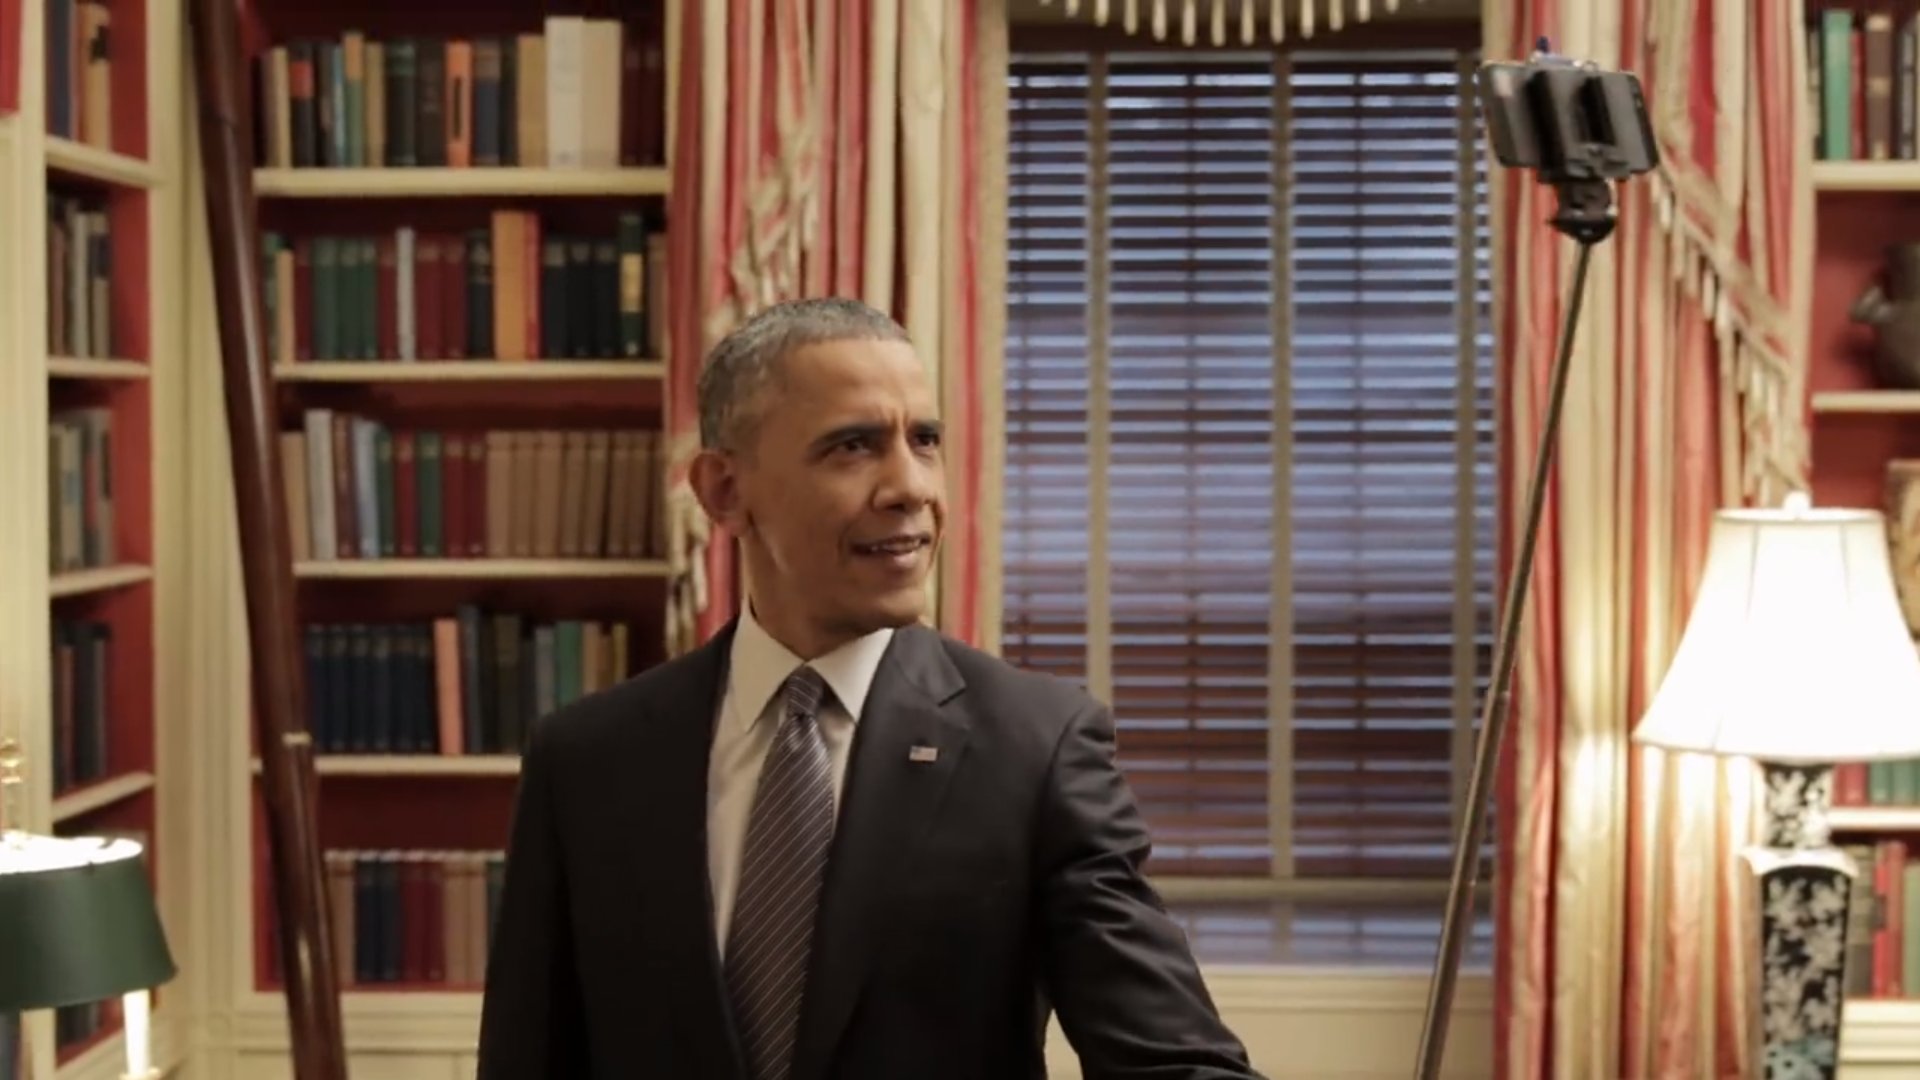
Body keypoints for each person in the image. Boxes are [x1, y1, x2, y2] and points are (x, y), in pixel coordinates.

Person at [475, 298, 1262, 1080]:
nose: (910, 487)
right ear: (724, 492)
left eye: (925, 441)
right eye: (854, 446)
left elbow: (1173, 1061)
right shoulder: (586, 762)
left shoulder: (1037, 748)